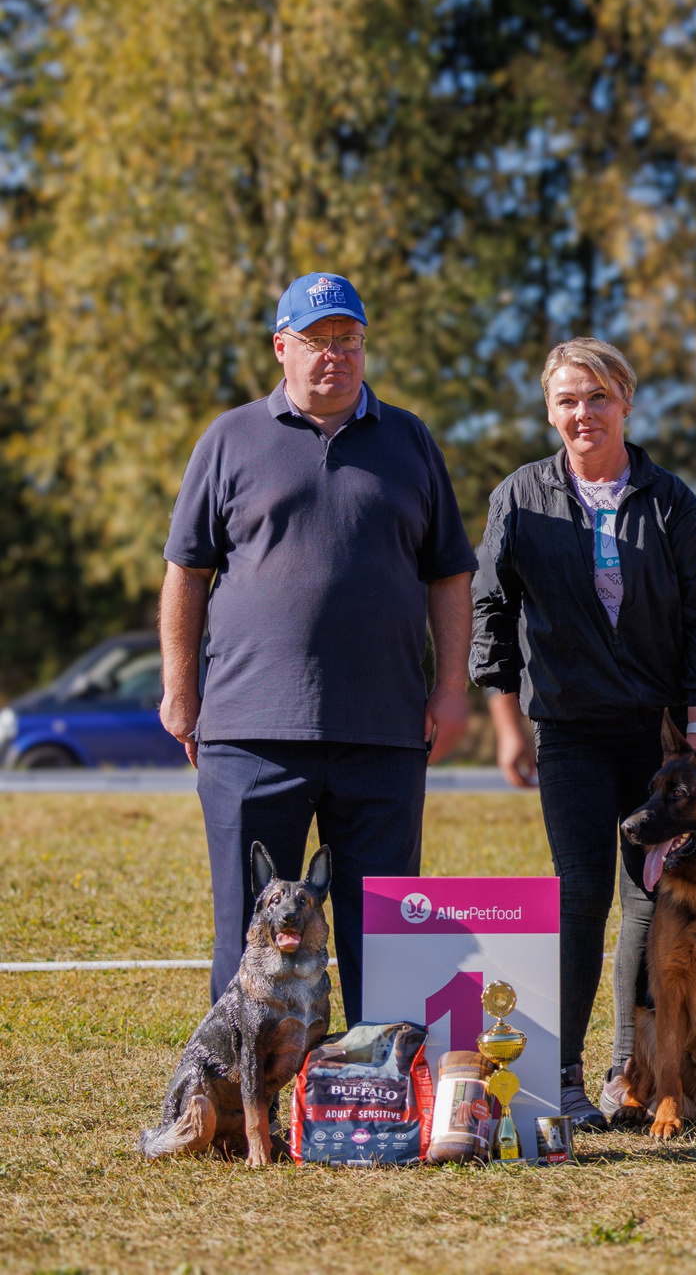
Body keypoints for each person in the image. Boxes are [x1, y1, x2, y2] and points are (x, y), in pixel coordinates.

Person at [159, 273, 477, 1024]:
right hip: (249, 731)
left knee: (386, 932)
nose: (335, 355)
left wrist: (452, 687)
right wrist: (180, 688)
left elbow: (450, 574)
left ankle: (380, 1100)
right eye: (316, 340)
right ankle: (248, 1108)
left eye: (349, 339)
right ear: (281, 347)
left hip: (383, 729)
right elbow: (186, 571)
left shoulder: (410, 439)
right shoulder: (230, 438)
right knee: (252, 933)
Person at [470, 338, 696, 1130]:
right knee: (582, 893)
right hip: (570, 732)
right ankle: (561, 1076)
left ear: (625, 400)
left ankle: (634, 1068)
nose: (581, 413)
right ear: (550, 411)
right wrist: (505, 723)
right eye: (565, 400)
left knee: (652, 897)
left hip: (658, 743)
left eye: (596, 396)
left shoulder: (671, 499)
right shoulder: (519, 497)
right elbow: (490, 611)